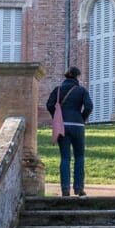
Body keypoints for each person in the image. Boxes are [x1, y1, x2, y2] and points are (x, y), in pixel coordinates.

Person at [45, 66, 93, 197]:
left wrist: (57, 116)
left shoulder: (58, 90)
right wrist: (81, 118)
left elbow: (49, 105)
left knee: (65, 157)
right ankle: (79, 188)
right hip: (78, 125)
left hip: (62, 126)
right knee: (79, 157)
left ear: (66, 76)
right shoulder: (81, 90)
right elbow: (89, 106)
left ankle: (65, 189)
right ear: (77, 77)